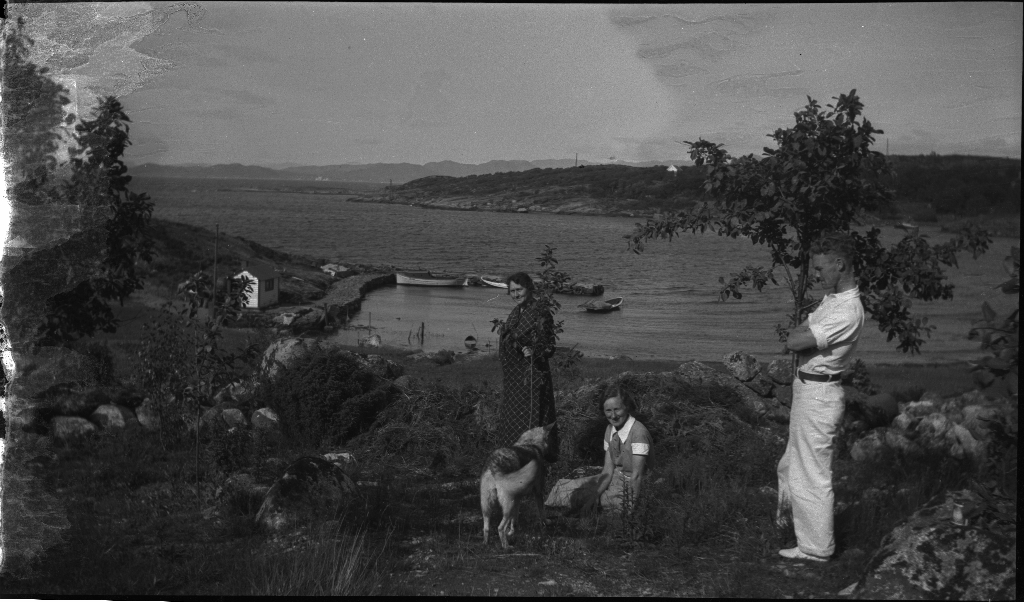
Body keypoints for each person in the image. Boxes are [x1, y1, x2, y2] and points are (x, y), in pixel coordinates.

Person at [776, 232, 865, 562]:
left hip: (820, 394)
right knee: (790, 466)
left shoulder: (847, 311)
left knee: (813, 472)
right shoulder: (833, 301)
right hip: (807, 389)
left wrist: (798, 337)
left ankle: (816, 549)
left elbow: (797, 341)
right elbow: (798, 335)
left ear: (839, 265)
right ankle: (792, 525)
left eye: (819, 268)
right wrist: (798, 336)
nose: (814, 274)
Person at [544, 383, 652, 516]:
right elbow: (607, 471)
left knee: (610, 503)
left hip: (633, 484)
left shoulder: (638, 433)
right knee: (562, 488)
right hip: (614, 478)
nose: (613, 416)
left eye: (617, 409)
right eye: (608, 411)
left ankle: (593, 511)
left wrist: (631, 509)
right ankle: (551, 516)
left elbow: (637, 475)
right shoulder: (610, 430)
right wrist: (593, 497)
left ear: (627, 408)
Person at [496, 272, 557, 449]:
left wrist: (534, 351)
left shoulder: (540, 313)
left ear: (529, 288)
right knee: (512, 422)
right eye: (512, 291)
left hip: (532, 377)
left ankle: (533, 464)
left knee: (533, 423)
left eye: (519, 289)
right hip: (514, 379)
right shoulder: (515, 312)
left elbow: (549, 347)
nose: (516, 294)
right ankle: (514, 461)